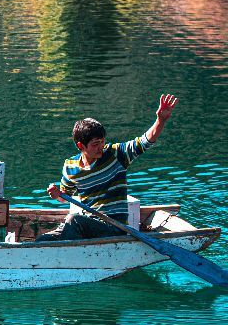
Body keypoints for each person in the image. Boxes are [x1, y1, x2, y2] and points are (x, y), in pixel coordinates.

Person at [36, 94, 178, 242]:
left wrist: (160, 120)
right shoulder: (70, 167)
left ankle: (73, 258)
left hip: (114, 228)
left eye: (102, 142)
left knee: (73, 220)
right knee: (42, 240)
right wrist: (56, 194)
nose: (100, 147)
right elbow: (64, 197)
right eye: (95, 144)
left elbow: (144, 142)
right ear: (80, 145)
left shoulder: (115, 154)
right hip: (87, 225)